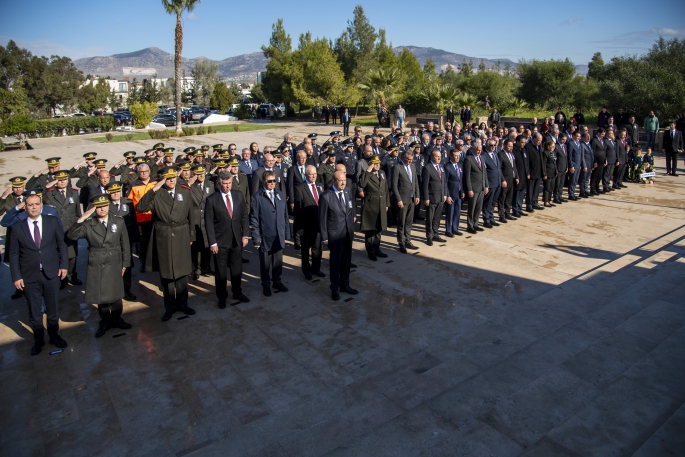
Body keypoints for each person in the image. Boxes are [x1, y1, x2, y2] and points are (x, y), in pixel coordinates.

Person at [9, 191, 68, 355]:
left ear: (41, 206)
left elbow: (61, 245)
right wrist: (16, 276)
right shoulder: (17, 227)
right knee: (35, 311)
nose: (34, 207)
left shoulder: (52, 221)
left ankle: (54, 335)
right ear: (25, 207)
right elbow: (13, 254)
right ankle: (38, 339)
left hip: (51, 273)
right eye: (30, 205)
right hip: (29, 275)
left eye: (36, 204)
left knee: (53, 308)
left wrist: (64, 265)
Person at [136, 166, 196, 322]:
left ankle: (183, 304)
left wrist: (191, 235)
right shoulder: (157, 193)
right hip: (165, 235)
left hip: (182, 233)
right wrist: (153, 189)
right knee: (167, 274)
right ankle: (169, 307)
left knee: (182, 273)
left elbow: (191, 214)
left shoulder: (184, 190)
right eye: (168, 178)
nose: (171, 180)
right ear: (162, 179)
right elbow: (141, 207)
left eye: (173, 178)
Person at [67, 194, 131, 338]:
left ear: (109, 206)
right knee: (101, 295)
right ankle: (105, 321)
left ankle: (117, 318)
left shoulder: (118, 221)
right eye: (99, 207)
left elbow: (125, 244)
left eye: (104, 206)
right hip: (97, 261)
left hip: (114, 259)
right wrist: (82, 219)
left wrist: (125, 263)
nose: (102, 209)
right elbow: (72, 236)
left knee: (115, 293)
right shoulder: (89, 224)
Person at [205, 171, 250, 307]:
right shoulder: (212, 199)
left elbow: (243, 216)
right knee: (221, 271)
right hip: (220, 241)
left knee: (237, 269)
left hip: (236, 239)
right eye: (225, 184)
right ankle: (222, 296)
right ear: (219, 183)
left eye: (229, 183)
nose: (227, 186)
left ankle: (237, 291)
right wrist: (212, 243)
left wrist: (245, 234)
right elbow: (209, 223)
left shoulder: (238, 195)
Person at [251, 171, 291, 296]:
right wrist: (256, 237)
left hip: (278, 234)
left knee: (278, 260)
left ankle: (277, 281)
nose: (273, 183)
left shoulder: (279, 194)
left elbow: (285, 215)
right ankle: (266, 284)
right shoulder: (257, 197)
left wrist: (286, 233)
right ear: (264, 181)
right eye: (270, 181)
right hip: (265, 236)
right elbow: (254, 219)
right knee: (266, 263)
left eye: (274, 181)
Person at [319, 171, 357, 301]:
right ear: (334, 181)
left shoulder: (347, 191)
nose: (343, 183)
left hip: (347, 233)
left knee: (346, 261)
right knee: (335, 263)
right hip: (334, 234)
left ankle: (345, 284)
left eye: (344, 180)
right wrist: (324, 237)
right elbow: (322, 219)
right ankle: (334, 287)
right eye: (340, 181)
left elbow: (351, 208)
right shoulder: (326, 196)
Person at [42, 170, 82, 288]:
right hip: (56, 230)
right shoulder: (49, 194)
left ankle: (72, 276)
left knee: (72, 255)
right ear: (55, 181)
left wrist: (79, 226)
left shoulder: (74, 193)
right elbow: (38, 195)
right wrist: (47, 186)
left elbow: (78, 212)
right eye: (59, 180)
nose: (62, 182)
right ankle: (61, 279)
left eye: (64, 179)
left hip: (71, 229)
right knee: (58, 254)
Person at [105, 182, 138, 301]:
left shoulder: (128, 203)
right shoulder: (105, 205)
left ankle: (126, 290)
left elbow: (133, 221)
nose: (115, 194)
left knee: (127, 265)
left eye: (117, 191)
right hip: (112, 241)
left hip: (127, 239)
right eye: (113, 192)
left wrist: (135, 239)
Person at [293, 166, 326, 279]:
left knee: (317, 249)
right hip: (306, 225)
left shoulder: (320, 185)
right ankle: (306, 270)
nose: (313, 176)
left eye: (315, 174)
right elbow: (297, 210)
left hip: (318, 224)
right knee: (305, 250)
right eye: (311, 174)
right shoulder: (300, 188)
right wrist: (299, 227)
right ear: (306, 175)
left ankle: (316, 268)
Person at [359, 155, 390, 260]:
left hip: (381, 203)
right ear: (370, 164)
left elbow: (385, 189)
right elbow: (362, 184)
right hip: (371, 205)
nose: (377, 165)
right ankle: (370, 251)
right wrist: (368, 171)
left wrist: (387, 204)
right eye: (375, 164)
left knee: (378, 228)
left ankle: (377, 249)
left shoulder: (382, 173)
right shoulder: (366, 174)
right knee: (370, 229)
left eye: (378, 163)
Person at [128, 163, 156, 271]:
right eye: (141, 172)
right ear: (138, 173)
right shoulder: (133, 185)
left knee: (153, 241)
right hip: (140, 219)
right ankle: (144, 263)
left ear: (149, 172)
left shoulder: (155, 182)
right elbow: (130, 201)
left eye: (145, 171)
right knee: (142, 243)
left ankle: (154, 262)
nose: (143, 173)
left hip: (153, 217)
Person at [391, 149, 420, 252]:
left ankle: (408, 240)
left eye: (411, 159)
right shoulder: (397, 167)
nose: (410, 161)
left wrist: (417, 195)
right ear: (403, 158)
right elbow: (394, 185)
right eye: (408, 159)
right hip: (403, 199)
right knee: (401, 222)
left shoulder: (412, 166)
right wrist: (398, 199)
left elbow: (415, 182)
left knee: (409, 221)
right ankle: (401, 242)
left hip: (412, 198)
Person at [189, 164, 214, 280]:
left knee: (208, 244)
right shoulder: (189, 187)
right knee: (197, 246)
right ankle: (197, 268)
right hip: (195, 219)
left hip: (207, 218)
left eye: (203, 173)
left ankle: (206, 266)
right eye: (198, 174)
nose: (201, 176)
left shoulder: (210, 185)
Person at [422, 150, 447, 245]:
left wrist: (445, 194)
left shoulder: (441, 167)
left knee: (437, 217)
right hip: (431, 197)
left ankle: (435, 233)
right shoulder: (427, 168)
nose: (439, 158)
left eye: (440, 156)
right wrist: (426, 198)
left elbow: (444, 182)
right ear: (432, 157)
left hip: (440, 197)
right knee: (430, 218)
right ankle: (429, 236)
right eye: (437, 156)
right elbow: (425, 185)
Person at [464, 143, 488, 234]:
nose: (479, 151)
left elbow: (484, 173)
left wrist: (486, 185)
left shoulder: (482, 158)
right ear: (473, 149)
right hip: (473, 188)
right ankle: (470, 225)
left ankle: (476, 224)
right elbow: (467, 176)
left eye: (480, 150)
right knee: (472, 207)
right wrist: (469, 189)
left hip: (481, 187)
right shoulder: (469, 159)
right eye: (477, 150)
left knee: (478, 207)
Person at [482, 139, 502, 228]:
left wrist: (501, 180)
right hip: (490, 183)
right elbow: (484, 172)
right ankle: (486, 220)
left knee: (493, 202)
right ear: (487, 146)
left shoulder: (495, 154)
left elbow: (498, 168)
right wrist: (486, 185)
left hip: (497, 182)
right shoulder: (484, 156)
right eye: (491, 145)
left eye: (494, 145)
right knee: (487, 203)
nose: (493, 147)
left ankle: (491, 218)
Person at [444, 149, 465, 236]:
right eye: (456, 156)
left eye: (458, 156)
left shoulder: (460, 165)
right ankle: (448, 230)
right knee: (450, 212)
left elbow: (461, 180)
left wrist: (463, 191)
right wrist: (448, 195)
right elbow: (445, 183)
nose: (457, 157)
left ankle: (455, 228)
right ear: (451, 156)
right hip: (451, 193)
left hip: (459, 192)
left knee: (457, 211)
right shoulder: (447, 166)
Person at [497, 139, 518, 223]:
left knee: (509, 197)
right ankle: (501, 215)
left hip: (511, 179)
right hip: (505, 180)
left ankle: (508, 213)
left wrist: (517, 176)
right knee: (502, 197)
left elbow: (514, 167)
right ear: (504, 146)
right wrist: (502, 180)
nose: (511, 148)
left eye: (512, 146)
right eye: (509, 146)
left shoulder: (511, 154)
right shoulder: (501, 155)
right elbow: (499, 169)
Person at [511, 135, 529, 217]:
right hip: (517, 176)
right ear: (517, 142)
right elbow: (513, 165)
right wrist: (516, 176)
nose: (523, 144)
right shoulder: (514, 151)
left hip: (524, 175)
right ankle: (515, 209)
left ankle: (519, 208)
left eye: (524, 142)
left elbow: (526, 163)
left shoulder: (524, 150)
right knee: (516, 194)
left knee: (522, 193)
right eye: (522, 142)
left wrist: (528, 173)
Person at [567, 131, 583, 200]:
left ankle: (573, 193)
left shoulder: (579, 143)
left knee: (576, 180)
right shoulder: (571, 143)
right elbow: (569, 156)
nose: (578, 138)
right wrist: (571, 166)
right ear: (573, 136)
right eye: (577, 136)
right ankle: (571, 194)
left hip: (578, 165)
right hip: (573, 165)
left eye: (579, 136)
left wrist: (580, 164)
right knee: (572, 180)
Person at [542, 140, 558, 207]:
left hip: (553, 172)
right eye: (552, 146)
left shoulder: (553, 152)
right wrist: (544, 174)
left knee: (551, 187)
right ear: (548, 146)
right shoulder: (545, 153)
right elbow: (544, 164)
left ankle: (549, 200)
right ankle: (545, 201)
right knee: (547, 188)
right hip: (548, 172)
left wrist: (556, 170)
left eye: (554, 146)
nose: (553, 147)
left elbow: (555, 163)